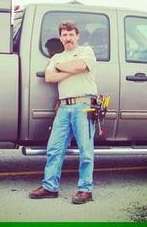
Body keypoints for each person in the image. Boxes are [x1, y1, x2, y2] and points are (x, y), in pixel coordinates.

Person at [29, 20, 98, 204]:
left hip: (84, 105)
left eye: (71, 34)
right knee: (54, 149)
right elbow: (50, 77)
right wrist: (71, 68)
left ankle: (85, 190)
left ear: (77, 35)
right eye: (64, 35)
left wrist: (64, 67)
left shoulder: (86, 51)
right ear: (61, 37)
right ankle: (50, 187)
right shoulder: (56, 56)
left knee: (86, 151)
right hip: (63, 107)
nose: (68, 38)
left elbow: (80, 66)